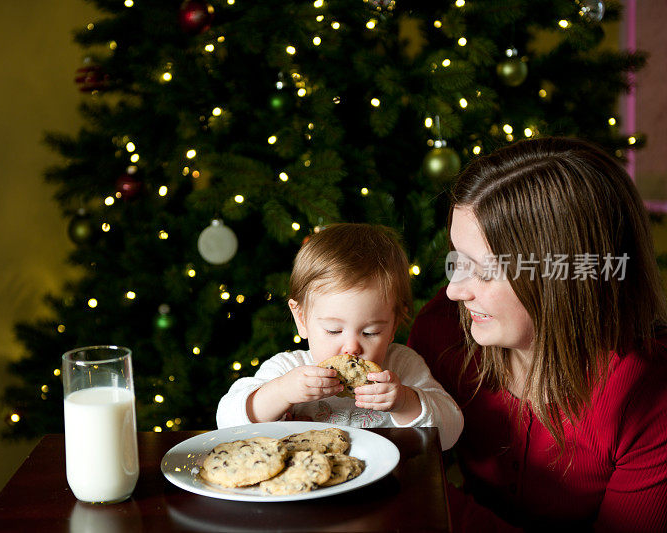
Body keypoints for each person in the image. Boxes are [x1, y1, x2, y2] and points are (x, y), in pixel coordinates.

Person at [407, 137, 667, 532]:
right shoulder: (442, 330)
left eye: (485, 269)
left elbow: (408, 490)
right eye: (457, 260)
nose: (455, 290)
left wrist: (431, 503)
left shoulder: (649, 396)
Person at [216, 223, 464, 451]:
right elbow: (226, 422)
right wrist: (281, 393)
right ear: (301, 319)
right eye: (334, 330)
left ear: (394, 324)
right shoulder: (288, 369)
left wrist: (405, 402)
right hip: (308, 491)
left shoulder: (403, 366)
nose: (351, 348)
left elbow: (451, 432)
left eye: (371, 332)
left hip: (387, 491)